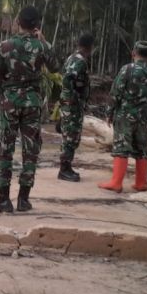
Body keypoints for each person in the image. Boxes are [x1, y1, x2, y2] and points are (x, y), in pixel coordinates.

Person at [0, 6, 60, 213]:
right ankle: (24, 200)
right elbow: (55, 67)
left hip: (9, 103)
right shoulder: (42, 46)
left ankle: (3, 200)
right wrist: (44, 41)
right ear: (36, 25)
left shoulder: (5, 46)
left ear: (18, 22)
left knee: (5, 151)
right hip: (32, 103)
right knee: (30, 151)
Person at [98, 41, 147, 193]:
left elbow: (115, 93)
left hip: (125, 115)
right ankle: (141, 182)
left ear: (134, 52)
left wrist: (109, 113)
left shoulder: (127, 69)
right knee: (142, 148)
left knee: (121, 146)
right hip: (144, 117)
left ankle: (116, 182)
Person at [58, 33, 96, 182]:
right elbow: (68, 80)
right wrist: (73, 99)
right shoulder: (80, 61)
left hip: (70, 104)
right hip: (72, 105)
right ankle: (64, 169)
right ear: (90, 46)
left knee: (68, 135)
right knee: (71, 137)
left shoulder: (71, 58)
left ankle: (66, 167)